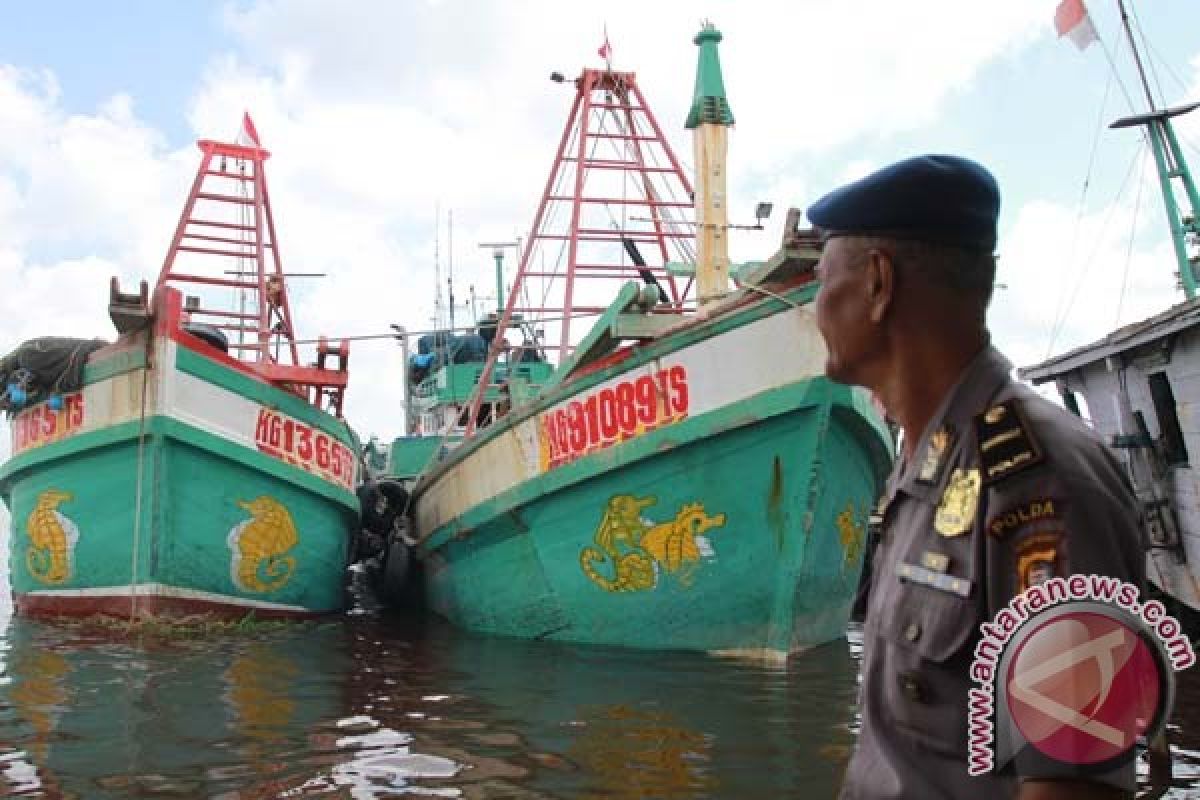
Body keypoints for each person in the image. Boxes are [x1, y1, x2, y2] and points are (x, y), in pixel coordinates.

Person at [809, 154, 1146, 799]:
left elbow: (1073, 786)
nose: (815, 306)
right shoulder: (922, 468)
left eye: (821, 279)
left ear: (878, 285)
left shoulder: (1039, 484)